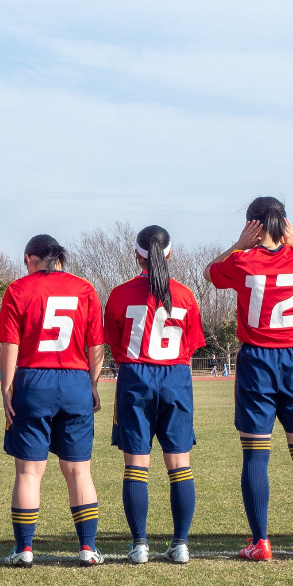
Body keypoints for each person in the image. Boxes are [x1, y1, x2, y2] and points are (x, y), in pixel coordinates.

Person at [205, 197, 293, 561]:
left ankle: (261, 542)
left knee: (256, 455)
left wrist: (239, 244)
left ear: (251, 225)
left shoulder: (241, 261)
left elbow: (212, 272)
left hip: (257, 359)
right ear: (284, 223)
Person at [0, 235, 105, 567]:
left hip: (33, 380)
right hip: (74, 380)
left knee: (29, 472)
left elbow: (9, 347)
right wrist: (93, 384)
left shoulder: (18, 289)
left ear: (30, 258)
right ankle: (87, 548)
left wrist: (6, 388)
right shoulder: (84, 288)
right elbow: (96, 346)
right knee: (78, 471)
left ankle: (25, 549)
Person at [103, 225, 205, 565]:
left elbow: (115, 344)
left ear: (137, 254)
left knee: (136, 465)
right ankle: (181, 545)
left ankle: (140, 545)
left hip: (135, 376)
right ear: (170, 253)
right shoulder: (187, 295)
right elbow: (190, 347)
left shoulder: (119, 294)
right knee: (179, 465)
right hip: (175, 376)